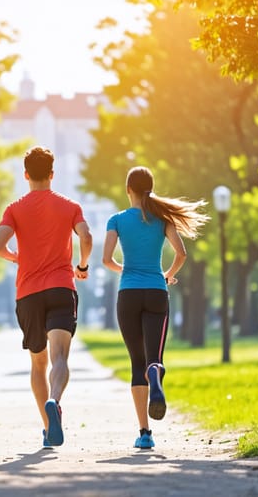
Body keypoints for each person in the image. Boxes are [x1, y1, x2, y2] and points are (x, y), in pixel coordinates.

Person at [0, 146, 93, 449]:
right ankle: (55, 400)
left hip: (29, 293)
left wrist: (17, 258)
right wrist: (82, 265)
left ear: (25, 175)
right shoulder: (69, 205)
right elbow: (86, 237)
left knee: (38, 364)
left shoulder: (14, 208)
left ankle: (49, 429)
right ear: (52, 174)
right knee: (60, 357)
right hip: (62, 287)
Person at [102, 166, 209, 449]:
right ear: (150, 188)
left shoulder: (116, 220)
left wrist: (126, 269)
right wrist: (165, 274)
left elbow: (106, 260)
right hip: (156, 292)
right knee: (154, 358)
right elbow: (181, 254)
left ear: (128, 190)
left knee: (136, 362)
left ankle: (145, 433)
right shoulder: (162, 219)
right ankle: (156, 371)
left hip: (128, 294)